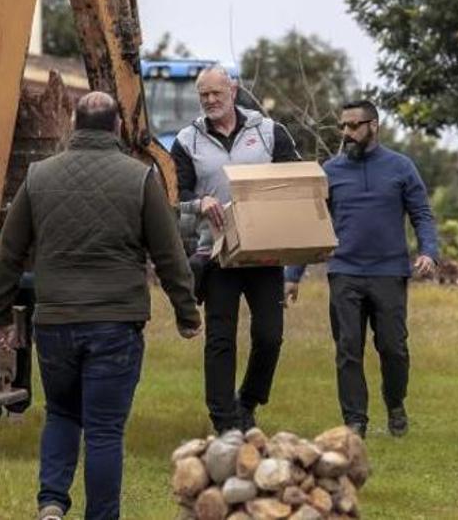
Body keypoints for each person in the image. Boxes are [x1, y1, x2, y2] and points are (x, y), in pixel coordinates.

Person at [0, 91, 201, 520]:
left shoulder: (39, 176)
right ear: (117, 128)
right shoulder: (139, 178)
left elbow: (8, 252)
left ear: (73, 124)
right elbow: (169, 254)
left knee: (62, 413)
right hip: (115, 322)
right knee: (104, 430)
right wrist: (186, 312)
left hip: (55, 320)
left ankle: (51, 502)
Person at [283, 100, 438, 438]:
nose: (347, 133)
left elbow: (422, 215)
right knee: (348, 348)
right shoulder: (331, 171)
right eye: (343, 127)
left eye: (354, 126)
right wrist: (292, 276)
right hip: (345, 272)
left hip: (389, 272)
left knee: (394, 348)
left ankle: (395, 403)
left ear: (374, 126)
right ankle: (356, 420)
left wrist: (429, 251)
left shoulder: (401, 167)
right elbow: (313, 225)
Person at [170, 65, 301, 433]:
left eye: (216, 93)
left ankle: (249, 401)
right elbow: (174, 196)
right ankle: (224, 419)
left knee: (269, 335)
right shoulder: (186, 141)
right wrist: (199, 203)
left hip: (264, 252)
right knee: (221, 338)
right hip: (217, 253)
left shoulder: (270, 132)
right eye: (204, 95)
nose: (210, 101)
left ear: (233, 89)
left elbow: (293, 180)